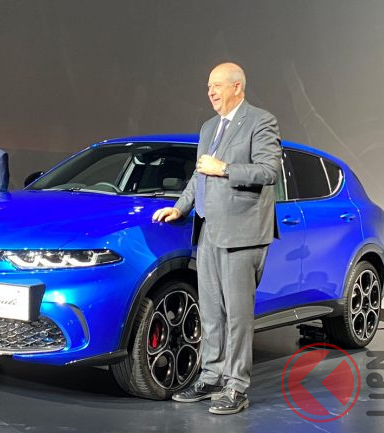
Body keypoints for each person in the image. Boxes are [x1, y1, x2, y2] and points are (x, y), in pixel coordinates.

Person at [152, 63, 281, 415]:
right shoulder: (209, 127)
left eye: (217, 85)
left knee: (237, 316)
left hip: (243, 232)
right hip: (208, 229)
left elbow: (268, 171)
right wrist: (180, 207)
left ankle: (236, 386)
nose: (210, 91)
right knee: (210, 311)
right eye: (208, 86)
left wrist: (223, 168)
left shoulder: (260, 121)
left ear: (237, 87)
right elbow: (200, 176)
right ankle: (211, 376)